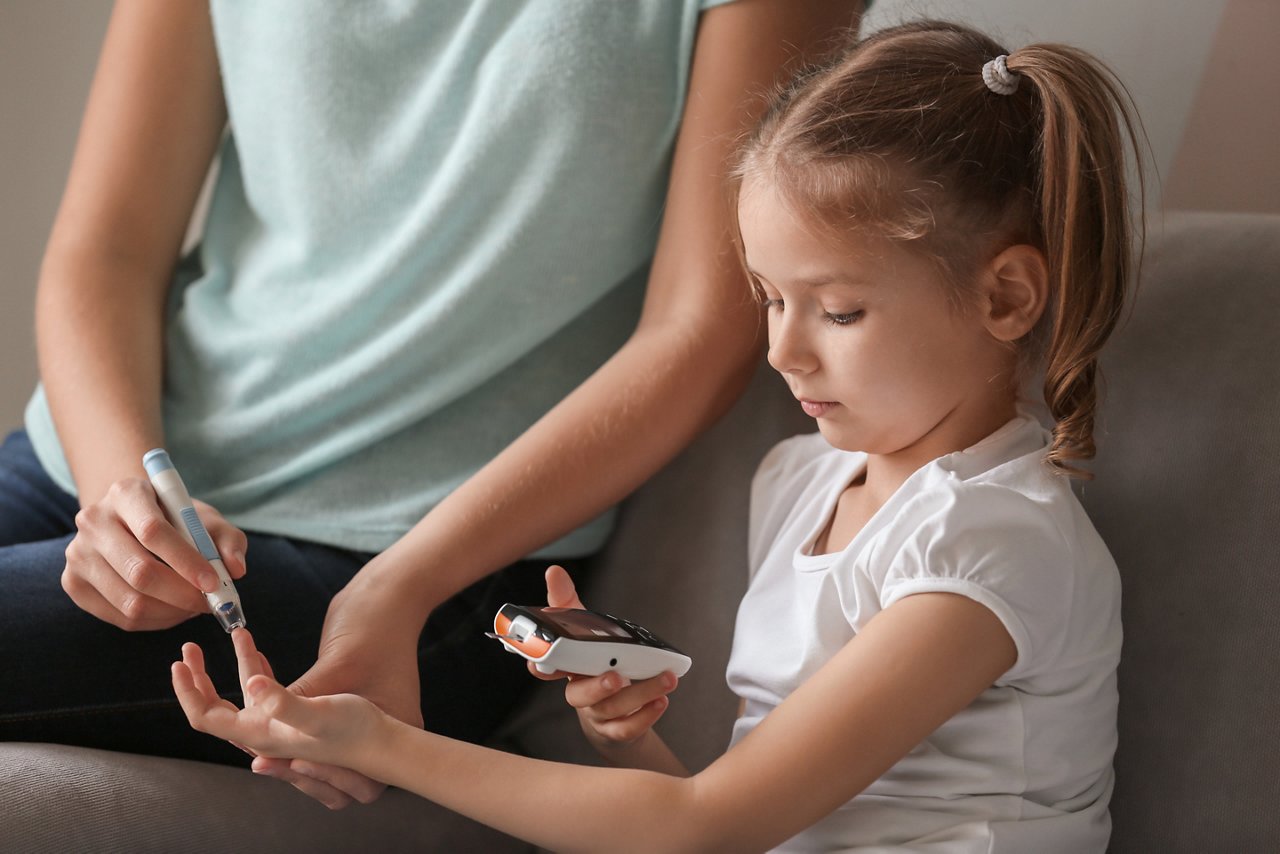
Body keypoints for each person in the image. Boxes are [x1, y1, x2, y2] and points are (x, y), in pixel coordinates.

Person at [170, 18, 1147, 852]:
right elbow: (737, 810)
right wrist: (626, 733)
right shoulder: (801, 479)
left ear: (1006, 295)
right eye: (767, 299)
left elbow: (702, 824)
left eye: (837, 311)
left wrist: (377, 740)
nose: (782, 352)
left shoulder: (992, 541)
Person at [0, 0, 864, 810]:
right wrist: (119, 494)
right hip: (93, 468)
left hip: (418, 565)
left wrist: (394, 594)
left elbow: (699, 333)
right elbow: (107, 249)